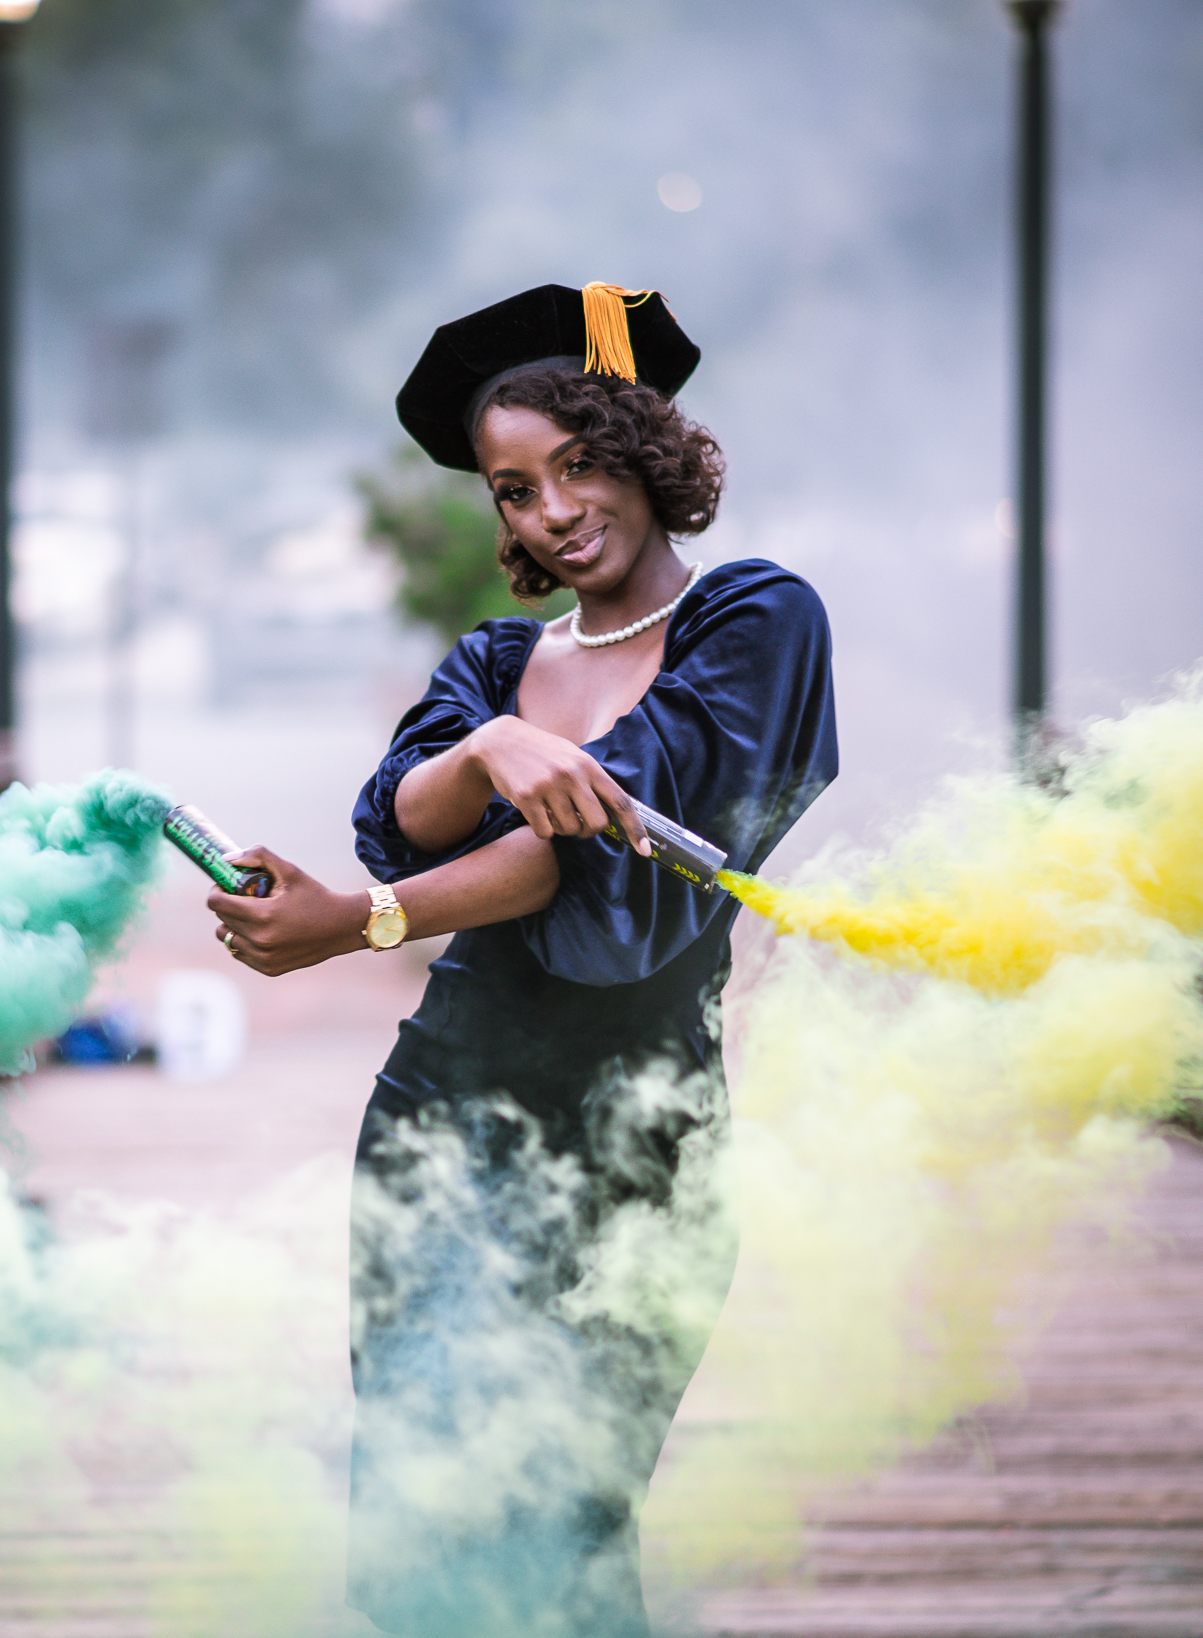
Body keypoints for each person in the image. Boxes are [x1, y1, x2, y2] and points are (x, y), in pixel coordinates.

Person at [207, 283, 838, 1635]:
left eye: (577, 464)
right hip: (440, 1119)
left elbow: (607, 855)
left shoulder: (758, 624)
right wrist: (491, 743)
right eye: (511, 488)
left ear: (646, 448)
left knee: (565, 1520)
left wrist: (363, 921)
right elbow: (395, 812)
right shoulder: (500, 657)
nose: (548, 510)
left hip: (634, 1141)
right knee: (422, 1513)